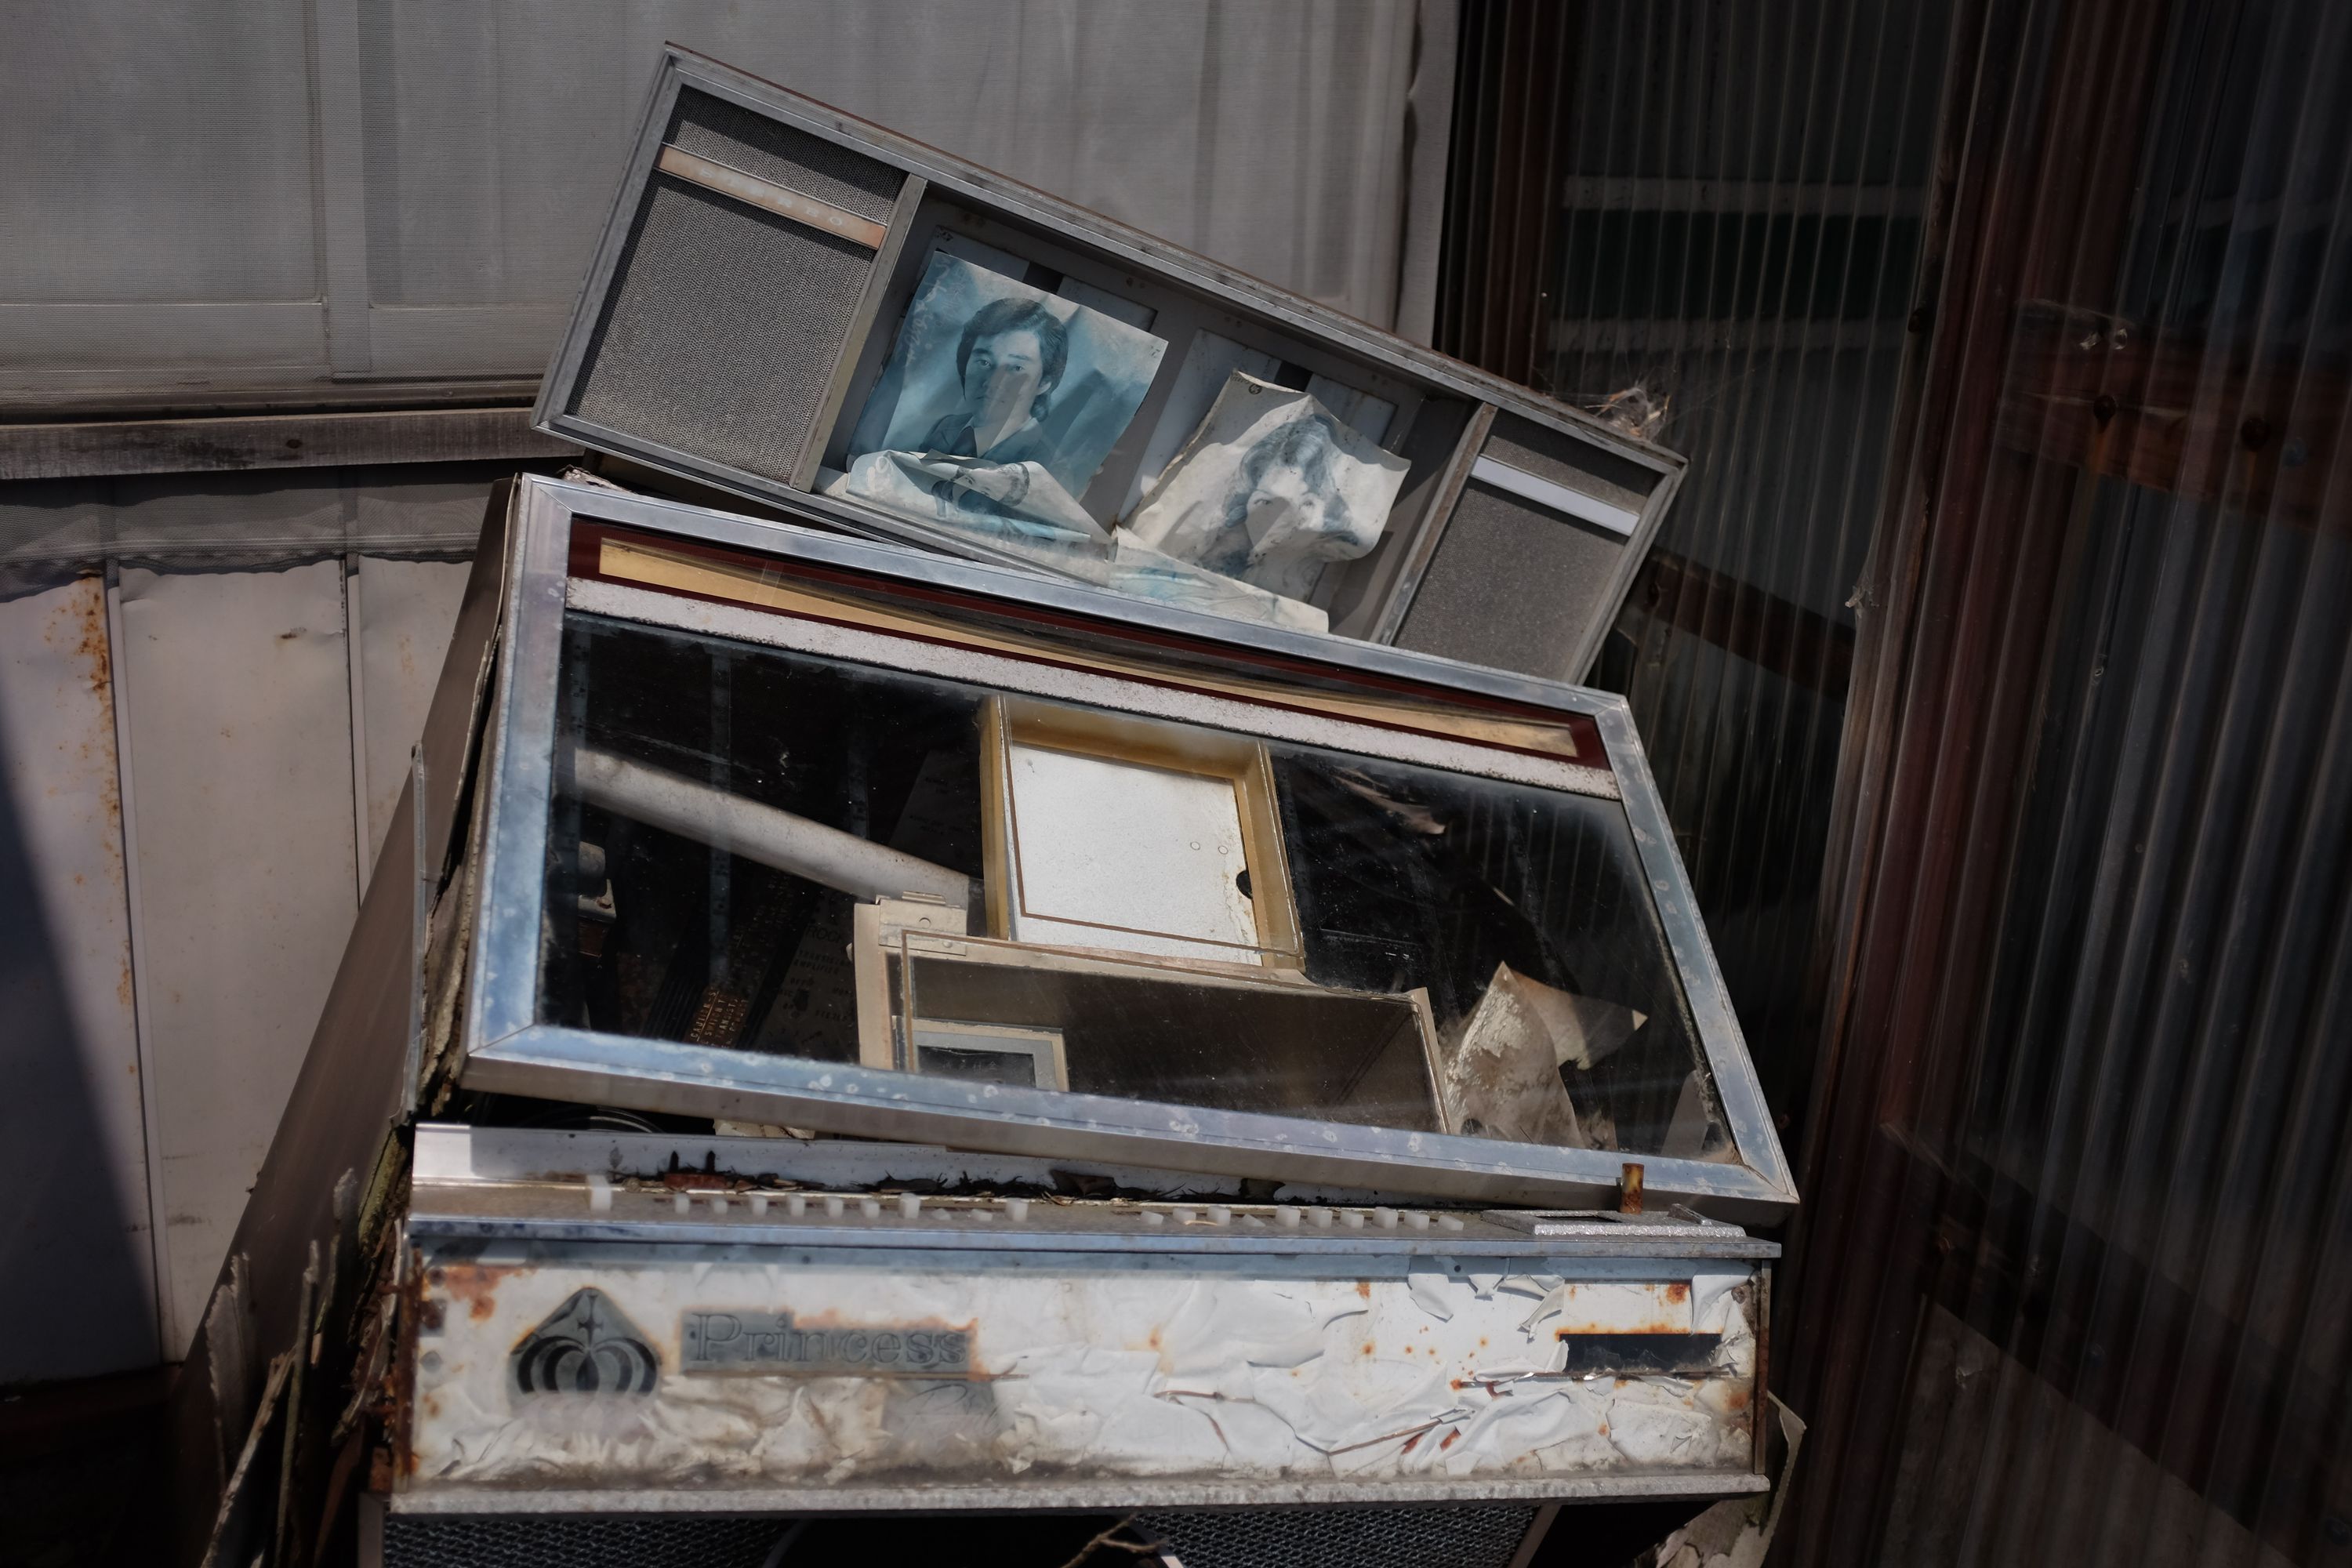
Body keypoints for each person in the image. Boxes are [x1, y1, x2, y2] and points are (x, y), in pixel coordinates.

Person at [920, 297, 1070, 466]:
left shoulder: (1048, 463)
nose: (993, 382)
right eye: (984, 362)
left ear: (1044, 383)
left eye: (1016, 368)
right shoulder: (945, 427)